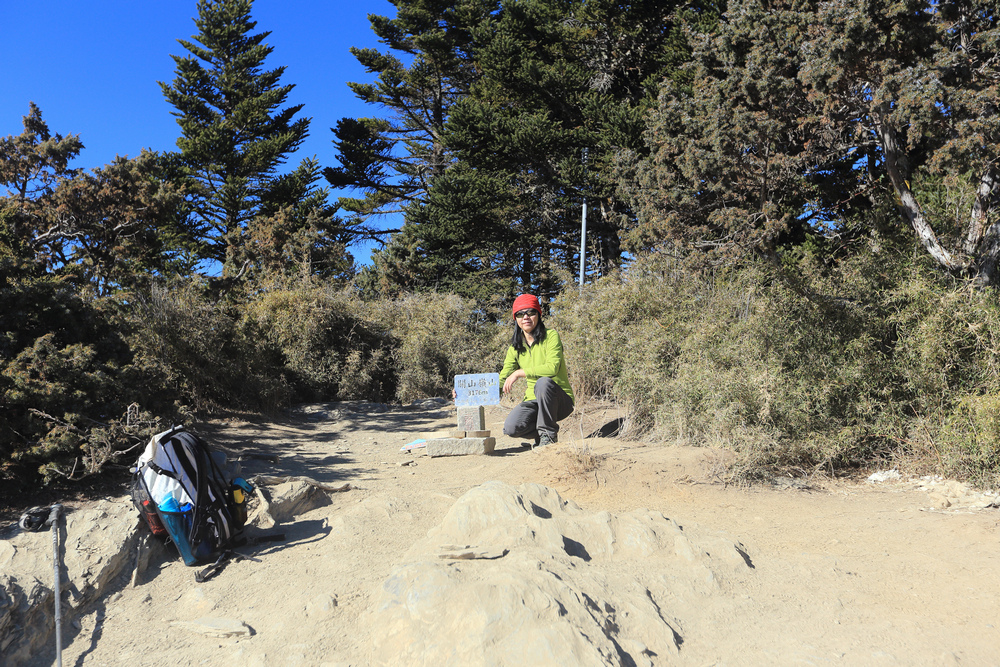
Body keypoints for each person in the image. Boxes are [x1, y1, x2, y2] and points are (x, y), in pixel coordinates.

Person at [499, 294, 575, 447]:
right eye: (520, 314)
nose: (526, 317)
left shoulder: (551, 336)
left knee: (543, 383)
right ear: (516, 319)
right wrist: (468, 391)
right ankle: (541, 435)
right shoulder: (515, 347)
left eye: (531, 312)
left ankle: (548, 436)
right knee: (511, 428)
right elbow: (502, 378)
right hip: (533, 400)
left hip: (559, 400)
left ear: (538, 314)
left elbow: (552, 367)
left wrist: (519, 372)